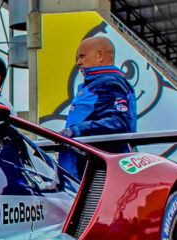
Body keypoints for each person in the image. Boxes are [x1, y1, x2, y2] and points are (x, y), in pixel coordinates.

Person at [57, 36, 137, 179]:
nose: (78, 62)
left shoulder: (109, 82)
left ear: (100, 55)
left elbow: (120, 122)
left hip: (96, 171)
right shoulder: (98, 83)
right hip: (85, 168)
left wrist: (75, 130)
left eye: (82, 56)